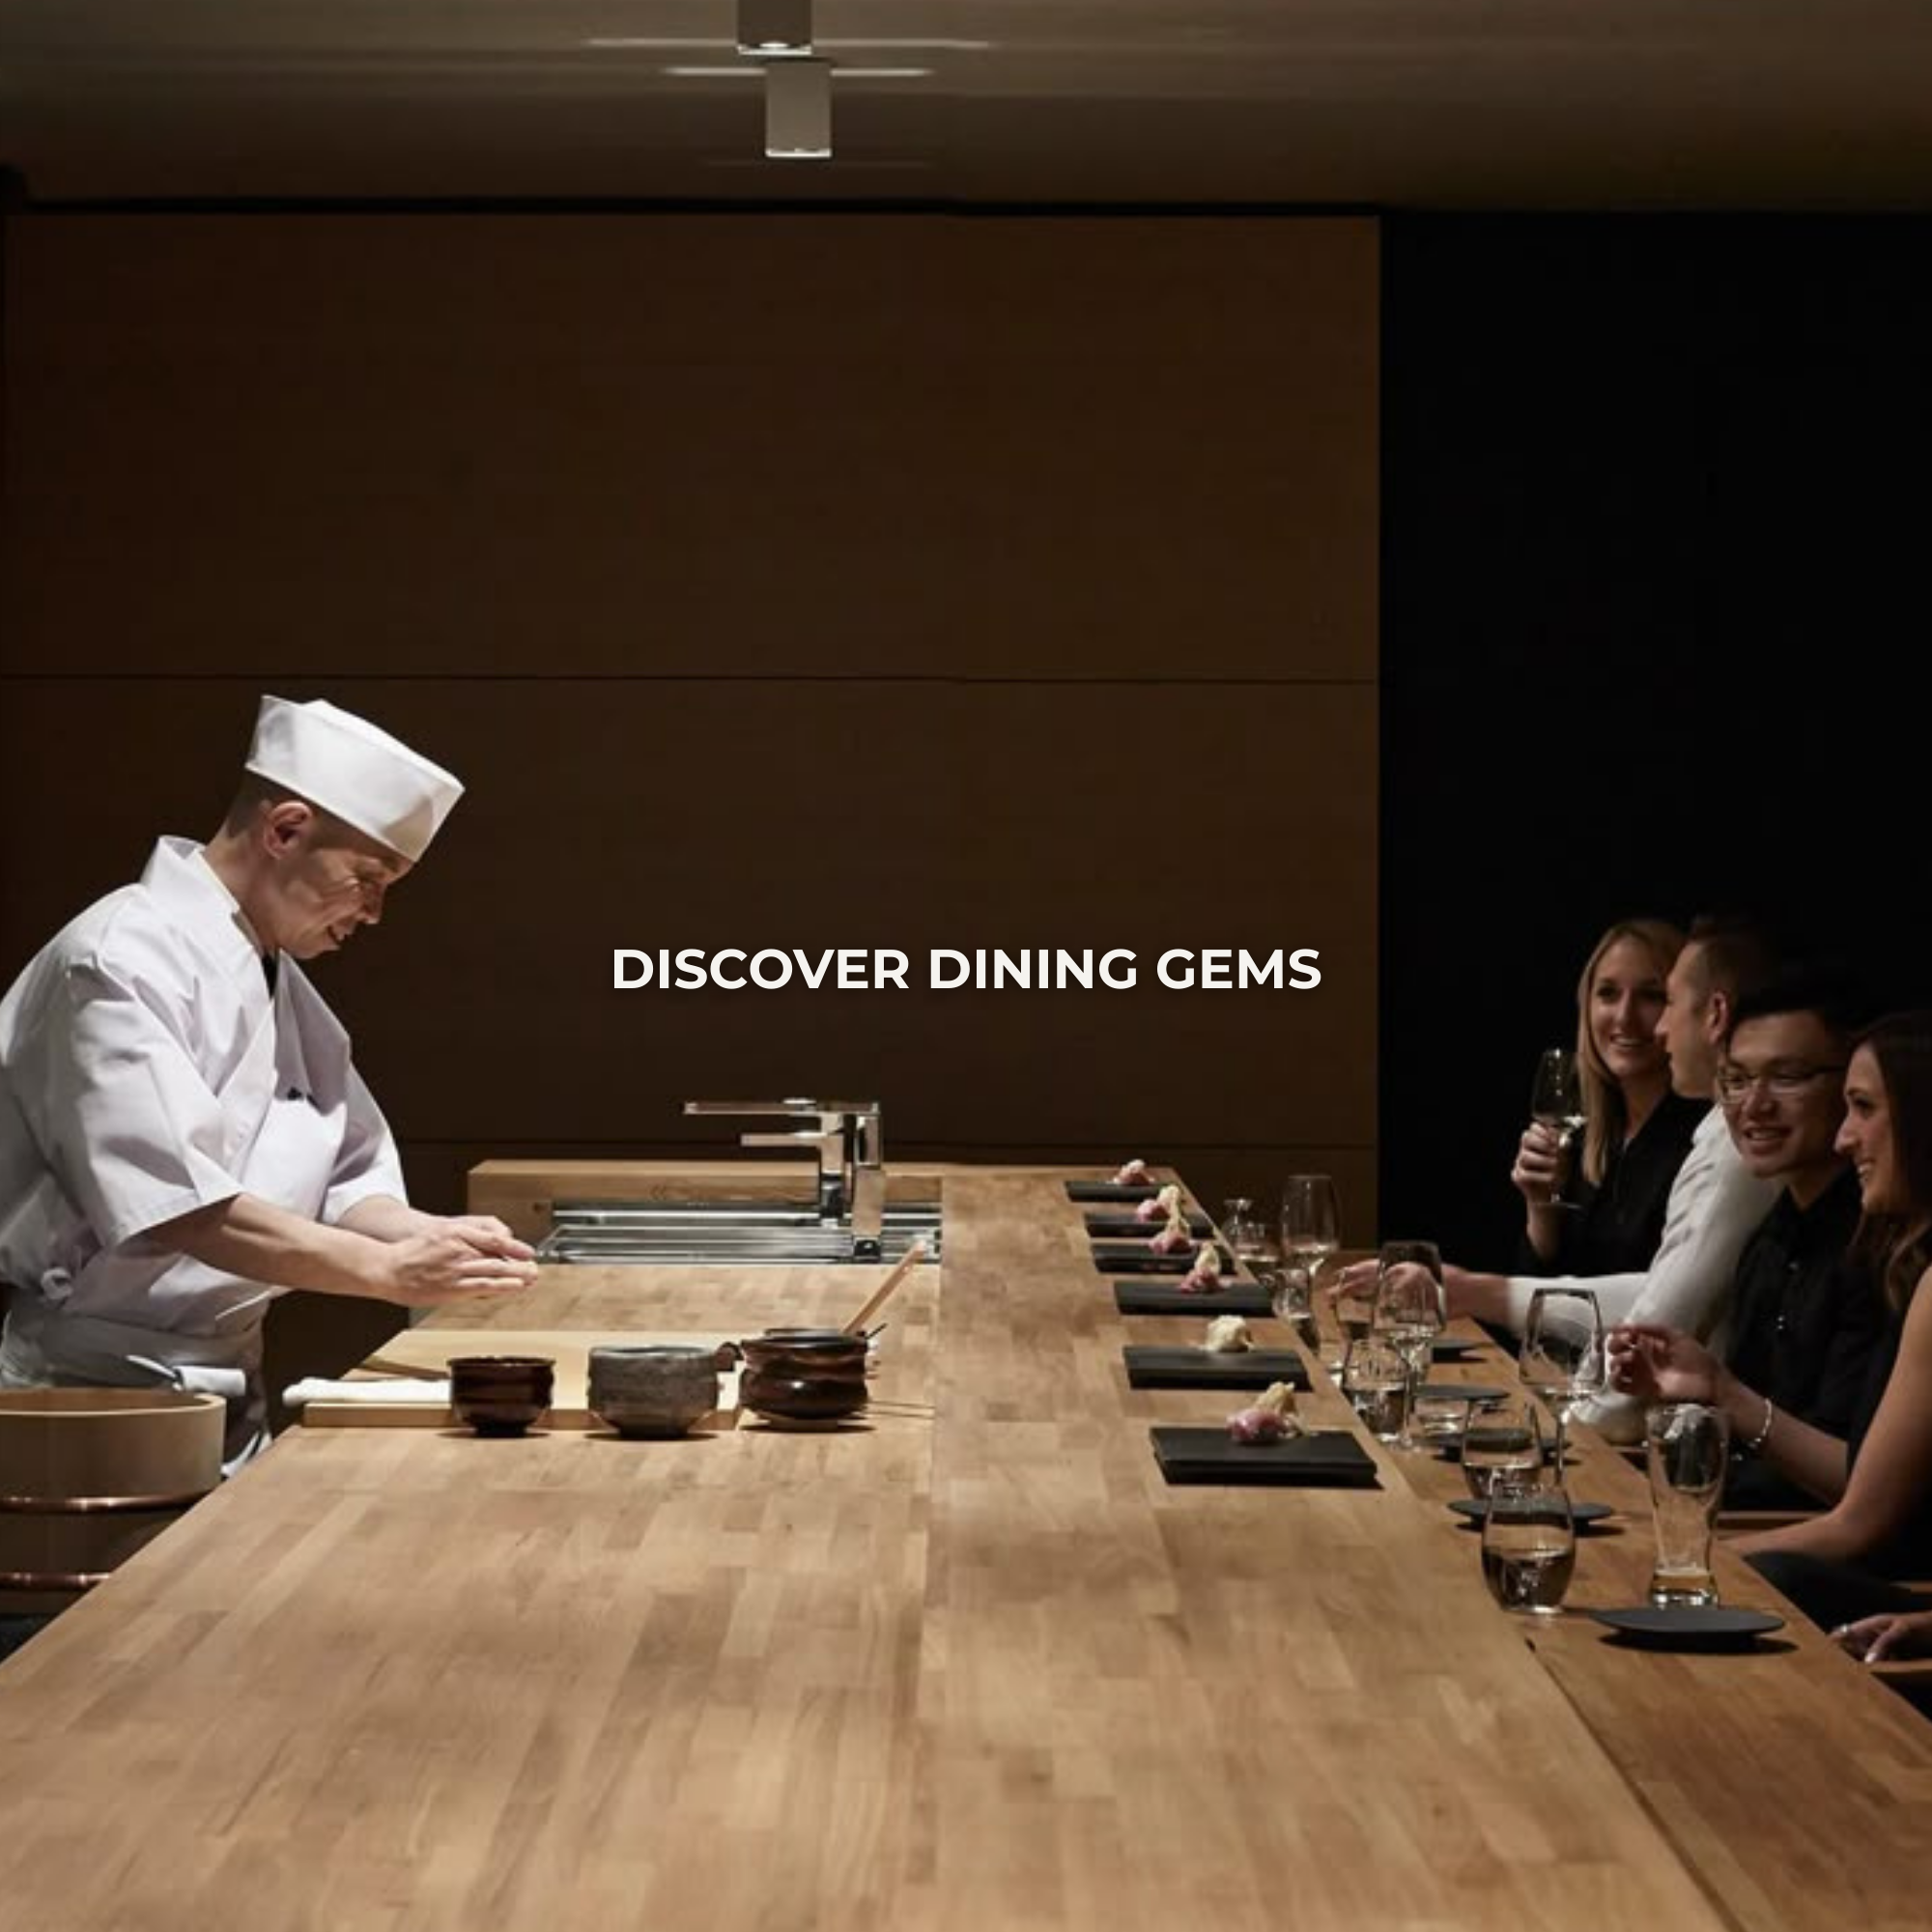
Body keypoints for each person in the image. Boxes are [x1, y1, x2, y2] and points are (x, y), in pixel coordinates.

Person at [0, 696, 538, 1470]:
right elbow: (178, 1208)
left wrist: (422, 1234)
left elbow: (342, 1171)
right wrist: (385, 1271)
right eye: (369, 878)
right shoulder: (114, 959)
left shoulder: (270, 966)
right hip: (90, 1384)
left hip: (225, 1368)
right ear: (285, 830)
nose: (376, 913)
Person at [1353, 914, 1781, 1441]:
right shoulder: (1602, 1132)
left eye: (1659, 998)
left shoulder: (1728, 1138)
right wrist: (1539, 1211)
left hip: (1673, 1448)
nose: (1648, 1023)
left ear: (1714, 1014)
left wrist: (1561, 1427)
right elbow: (1612, 1293)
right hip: (1622, 1421)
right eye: (1607, 994)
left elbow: (1655, 1319)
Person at [1607, 1011, 1932, 1634]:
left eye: (1862, 1108)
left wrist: (1672, 1564)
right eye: (1735, 1080)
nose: (1845, 1137)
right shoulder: (1784, 1238)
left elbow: (1857, 1518)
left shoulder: (1889, 1266)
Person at [1607, 966, 1885, 1509]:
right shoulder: (1770, 1236)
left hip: (1805, 1557)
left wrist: (1723, 1396)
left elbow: (1859, 1493)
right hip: (1734, 1517)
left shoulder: (1881, 1253)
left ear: (1850, 1089)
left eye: (1787, 1077)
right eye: (1736, 1080)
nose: (1754, 1106)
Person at [1515, 918, 1703, 1277]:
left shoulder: (1703, 1136)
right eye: (1608, 993)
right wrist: (1541, 1209)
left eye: (1652, 996)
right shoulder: (1586, 1130)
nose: (1625, 1016)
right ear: (1586, 1005)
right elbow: (1539, 1298)